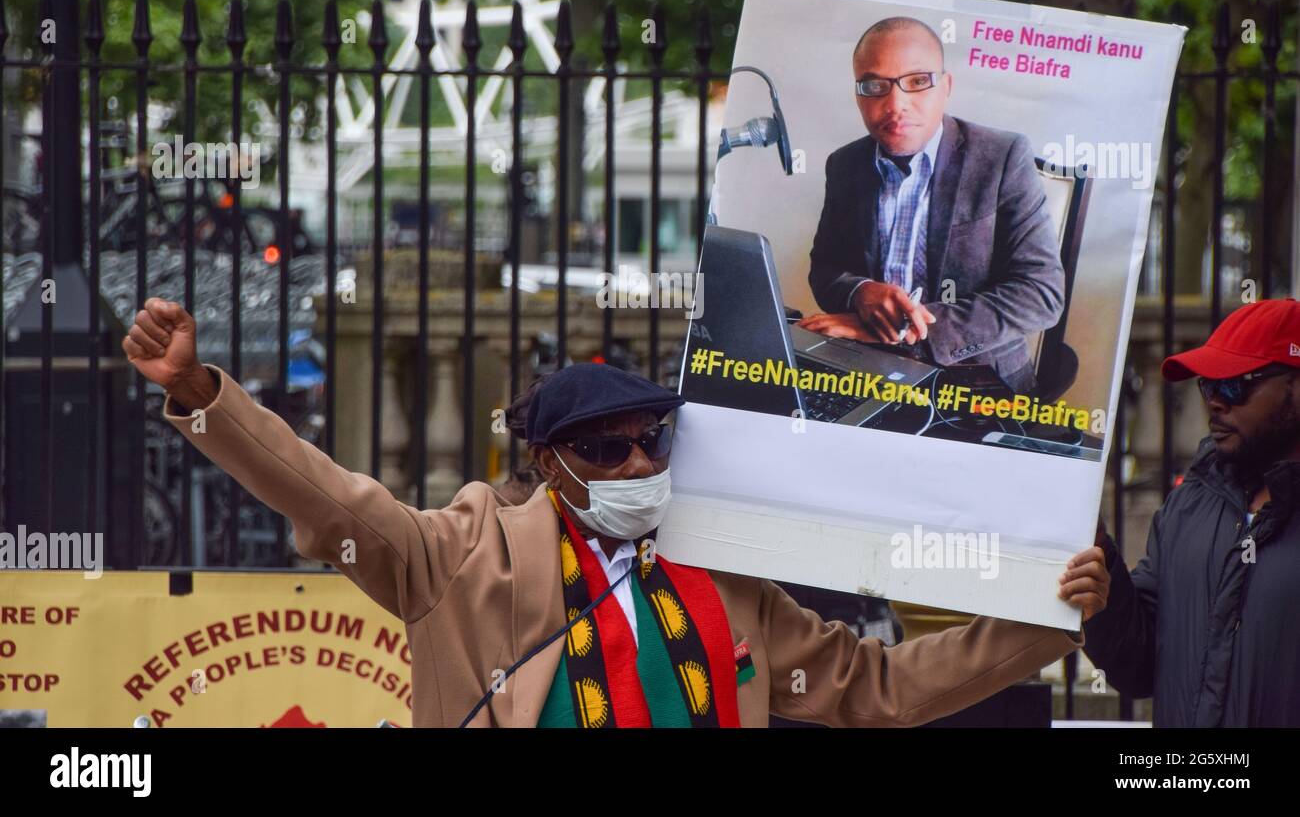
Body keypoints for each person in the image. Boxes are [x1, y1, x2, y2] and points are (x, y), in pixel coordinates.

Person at [123, 297, 1108, 727]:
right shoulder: (460, 555)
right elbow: (328, 493)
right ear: (548, 465)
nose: (637, 460)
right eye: (605, 448)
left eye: (652, 440)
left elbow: (882, 688)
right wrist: (207, 391)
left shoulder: (723, 571)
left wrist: (1045, 616)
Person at [800, 16, 1065, 393]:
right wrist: (859, 292)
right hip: (870, 372)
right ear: (858, 95)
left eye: (918, 81)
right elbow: (825, 269)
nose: (896, 104)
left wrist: (904, 329)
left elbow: (1040, 293)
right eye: (875, 86)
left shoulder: (1002, 156)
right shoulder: (845, 165)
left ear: (946, 87)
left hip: (980, 382)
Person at [1083, 298, 1300, 726]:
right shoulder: (1190, 502)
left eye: (1236, 384)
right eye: (1209, 385)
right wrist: (1102, 585)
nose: (1216, 401)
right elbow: (1139, 667)